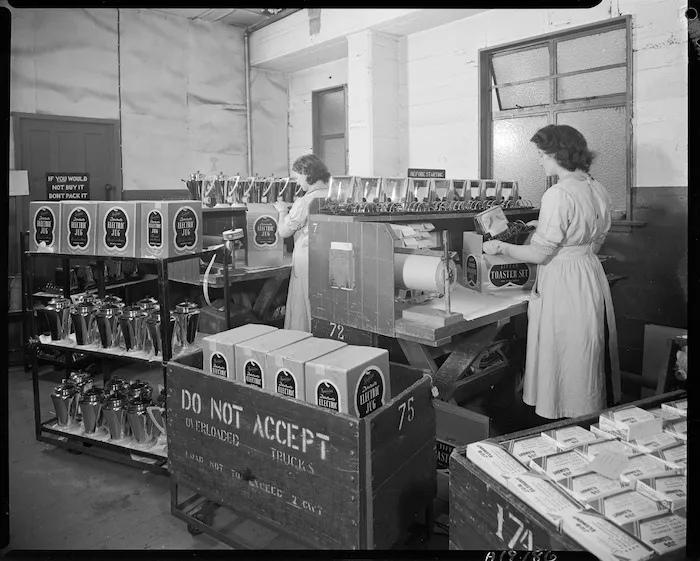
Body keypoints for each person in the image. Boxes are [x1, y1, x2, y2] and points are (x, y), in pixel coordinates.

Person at [482, 124, 621, 419]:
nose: (539, 160)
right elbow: (594, 240)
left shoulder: (558, 193)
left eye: (542, 153)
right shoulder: (597, 187)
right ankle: (584, 412)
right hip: (587, 274)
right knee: (584, 346)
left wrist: (500, 248)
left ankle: (559, 414)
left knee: (562, 348)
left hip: (562, 281)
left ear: (557, 154)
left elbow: (539, 254)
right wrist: (546, 230)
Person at [274, 154, 330, 331]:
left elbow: (283, 231)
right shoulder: (333, 196)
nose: (298, 183)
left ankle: (301, 342)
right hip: (328, 259)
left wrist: (282, 211)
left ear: (307, 173)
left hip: (306, 260)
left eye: (298, 177)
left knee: (302, 304)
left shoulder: (305, 201)